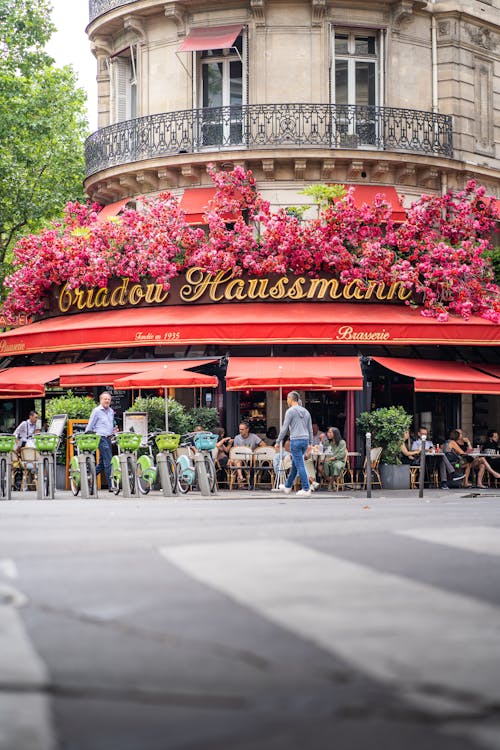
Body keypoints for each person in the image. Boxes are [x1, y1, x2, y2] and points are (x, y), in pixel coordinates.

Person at [275, 391, 313, 497]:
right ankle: (287, 486)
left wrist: (278, 441)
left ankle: (306, 488)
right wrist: (310, 443)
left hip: (296, 440)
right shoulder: (306, 412)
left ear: (291, 399)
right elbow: (310, 429)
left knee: (300, 464)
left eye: (287, 399)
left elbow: (284, 428)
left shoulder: (290, 411)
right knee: (296, 464)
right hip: (305, 440)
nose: (287, 401)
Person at [86, 391, 117, 491]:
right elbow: (91, 424)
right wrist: (87, 434)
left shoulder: (111, 411)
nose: (107, 401)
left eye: (108, 399)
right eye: (105, 399)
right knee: (108, 461)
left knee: (103, 463)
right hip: (100, 437)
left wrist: (114, 431)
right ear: (101, 400)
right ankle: (111, 485)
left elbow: (110, 424)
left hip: (108, 438)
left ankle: (88, 477)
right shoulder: (96, 411)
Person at [231, 422, 265, 487]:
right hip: (240, 458)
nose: (240, 431)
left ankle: (244, 480)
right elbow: (235, 450)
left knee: (249, 462)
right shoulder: (237, 438)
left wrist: (256, 451)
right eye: (240, 429)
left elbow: (264, 445)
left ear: (247, 429)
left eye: (242, 429)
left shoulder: (254, 437)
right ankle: (241, 477)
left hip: (251, 458)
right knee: (238, 460)